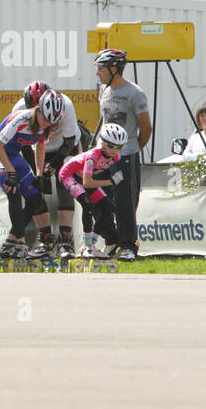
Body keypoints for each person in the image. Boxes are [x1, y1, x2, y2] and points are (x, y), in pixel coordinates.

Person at [0, 90, 65, 259]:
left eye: (50, 122)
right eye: (44, 119)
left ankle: (11, 241)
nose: (45, 125)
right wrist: (10, 172)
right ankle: (18, 240)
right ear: (39, 110)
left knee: (35, 197)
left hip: (12, 155)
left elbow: (41, 147)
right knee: (14, 191)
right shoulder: (22, 118)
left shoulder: (47, 125)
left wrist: (39, 174)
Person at [95, 49, 151, 261]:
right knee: (98, 198)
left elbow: (146, 128)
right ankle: (112, 239)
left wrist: (130, 149)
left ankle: (128, 246)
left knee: (125, 202)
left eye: (101, 69)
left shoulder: (135, 93)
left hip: (126, 156)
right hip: (103, 156)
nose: (98, 73)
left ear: (114, 69)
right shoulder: (104, 90)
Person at [13, 80, 80, 256]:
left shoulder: (64, 104)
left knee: (65, 183)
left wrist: (55, 164)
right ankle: (46, 240)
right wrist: (37, 173)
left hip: (62, 146)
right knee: (34, 187)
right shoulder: (19, 109)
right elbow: (23, 145)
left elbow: (70, 141)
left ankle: (65, 241)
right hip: (35, 147)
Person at [60, 123, 128, 258]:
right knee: (87, 204)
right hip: (69, 175)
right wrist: (110, 181)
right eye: (111, 146)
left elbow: (96, 175)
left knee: (108, 207)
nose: (115, 150)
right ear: (102, 143)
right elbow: (87, 182)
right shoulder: (92, 156)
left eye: (119, 147)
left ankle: (93, 243)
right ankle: (87, 247)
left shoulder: (116, 157)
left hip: (83, 177)